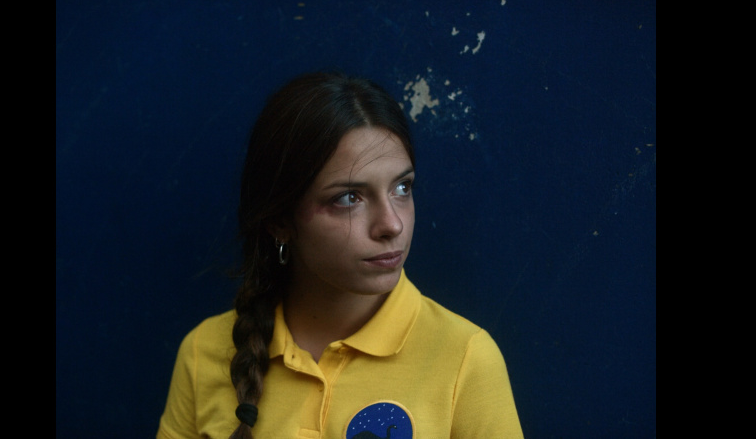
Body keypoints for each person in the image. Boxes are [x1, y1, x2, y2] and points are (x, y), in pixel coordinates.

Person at [157, 72, 524, 439]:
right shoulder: (204, 352)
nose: (392, 224)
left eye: (402, 187)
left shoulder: (465, 358)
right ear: (279, 221)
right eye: (349, 198)